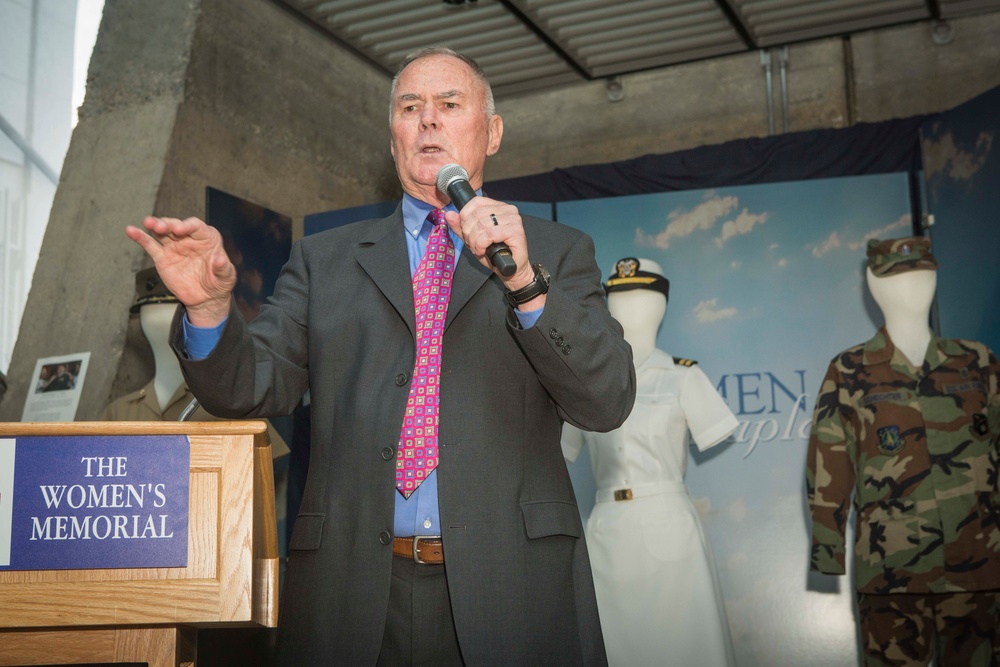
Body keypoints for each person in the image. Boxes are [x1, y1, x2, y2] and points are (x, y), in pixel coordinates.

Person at [126, 47, 636, 666]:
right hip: (351, 594)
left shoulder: (555, 250)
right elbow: (251, 387)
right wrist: (209, 312)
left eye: (450, 105)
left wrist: (525, 281)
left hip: (514, 588)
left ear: (492, 132)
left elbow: (606, 401)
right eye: (410, 106)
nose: (428, 120)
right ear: (392, 136)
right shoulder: (325, 260)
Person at [807, 236, 1000, 666]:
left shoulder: (977, 362)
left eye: (923, 275)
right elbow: (829, 463)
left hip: (979, 566)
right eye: (897, 276)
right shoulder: (850, 370)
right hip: (892, 569)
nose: (912, 287)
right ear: (874, 284)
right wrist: (828, 548)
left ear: (935, 278)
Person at [563, 257, 738, 667]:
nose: (629, 308)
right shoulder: (583, 381)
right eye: (619, 297)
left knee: (686, 645)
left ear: (661, 305)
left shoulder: (684, 377)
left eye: (641, 296)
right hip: (608, 530)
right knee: (610, 646)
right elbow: (565, 447)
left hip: (669, 524)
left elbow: (714, 428)